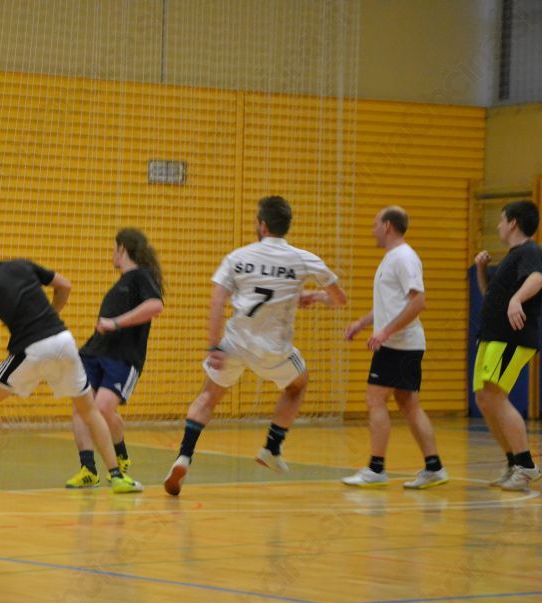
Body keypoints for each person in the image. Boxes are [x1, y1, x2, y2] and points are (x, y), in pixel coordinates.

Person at [163, 195, 347, 496]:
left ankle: (184, 456)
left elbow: (217, 301)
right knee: (298, 384)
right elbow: (340, 300)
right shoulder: (303, 258)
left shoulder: (238, 257)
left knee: (208, 396)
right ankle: (272, 447)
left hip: (235, 342)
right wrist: (314, 296)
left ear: (262, 225)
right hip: (274, 350)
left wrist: (214, 347)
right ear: (286, 226)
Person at [0, 231, 143, 493]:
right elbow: (65, 285)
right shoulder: (22, 265)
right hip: (64, 341)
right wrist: (52, 312)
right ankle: (117, 476)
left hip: (32, 350)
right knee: (89, 410)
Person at [340, 206, 447, 489]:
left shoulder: (404, 257)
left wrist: (385, 332)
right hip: (402, 344)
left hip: (399, 345)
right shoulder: (393, 258)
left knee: (375, 399)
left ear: (387, 226)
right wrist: (362, 323)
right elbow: (391, 306)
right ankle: (434, 467)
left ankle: (376, 468)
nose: (372, 230)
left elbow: (418, 302)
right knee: (408, 404)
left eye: (375, 224)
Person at [66, 228, 164, 488]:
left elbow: (155, 306)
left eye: (114, 248)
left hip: (123, 357)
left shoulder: (141, 276)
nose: (112, 254)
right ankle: (88, 469)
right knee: (81, 407)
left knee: (102, 409)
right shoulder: (119, 284)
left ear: (123, 248)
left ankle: (120, 455)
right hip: (94, 352)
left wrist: (116, 323)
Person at [472, 200, 542, 492]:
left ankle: (526, 466)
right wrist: (481, 270)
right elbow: (489, 295)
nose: (499, 226)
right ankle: (514, 462)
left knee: (495, 396)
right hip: (492, 337)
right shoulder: (511, 257)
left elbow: (537, 278)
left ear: (513, 222)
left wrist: (517, 299)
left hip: (510, 338)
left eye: (501, 220)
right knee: (485, 399)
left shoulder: (530, 251)